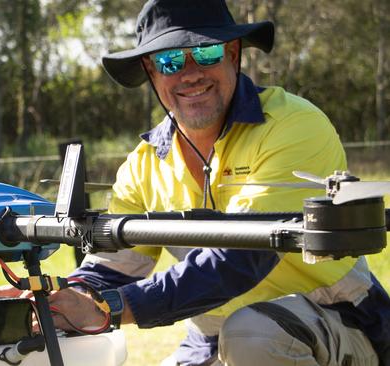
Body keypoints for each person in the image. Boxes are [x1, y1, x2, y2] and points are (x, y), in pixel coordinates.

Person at [41, 1, 390, 365]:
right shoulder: (141, 165)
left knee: (253, 335)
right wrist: (55, 300)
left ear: (233, 53)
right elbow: (111, 269)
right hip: (211, 340)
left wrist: (112, 307)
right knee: (242, 334)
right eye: (169, 61)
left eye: (205, 53)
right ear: (150, 71)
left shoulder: (294, 126)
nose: (189, 74)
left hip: (336, 322)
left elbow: (243, 257)